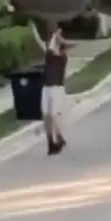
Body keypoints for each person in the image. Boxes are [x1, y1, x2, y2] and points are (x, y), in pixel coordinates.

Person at [40, 22, 69, 155]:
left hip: (56, 88)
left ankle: (60, 138)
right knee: (46, 115)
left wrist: (57, 33)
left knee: (54, 114)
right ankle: (51, 142)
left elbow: (53, 43)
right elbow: (46, 43)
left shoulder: (61, 57)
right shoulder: (50, 54)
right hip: (47, 87)